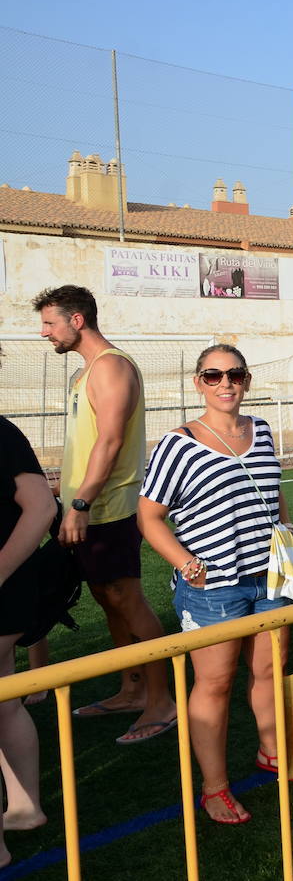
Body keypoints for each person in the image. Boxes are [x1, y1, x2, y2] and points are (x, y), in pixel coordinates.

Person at [138, 344, 293, 823]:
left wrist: (285, 529)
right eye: (212, 375)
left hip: (269, 575)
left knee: (270, 668)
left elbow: (272, 488)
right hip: (213, 585)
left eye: (234, 374)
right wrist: (185, 561)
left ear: (247, 380)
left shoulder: (260, 430)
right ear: (198, 382)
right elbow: (150, 515)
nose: (225, 384)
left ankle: (271, 752)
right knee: (214, 684)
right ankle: (214, 788)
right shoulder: (178, 443)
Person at [32, 286, 176, 744]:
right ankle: (131, 688)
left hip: (109, 508)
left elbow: (111, 442)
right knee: (108, 600)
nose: (44, 332)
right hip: (89, 508)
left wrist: (80, 503)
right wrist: (63, 491)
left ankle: (162, 701)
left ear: (77, 320)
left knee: (128, 599)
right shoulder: (84, 373)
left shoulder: (112, 366)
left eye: (49, 323)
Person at [0, 406, 55, 864]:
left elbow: (42, 507)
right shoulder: (4, 431)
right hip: (12, 593)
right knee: (5, 698)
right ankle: (23, 807)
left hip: (7, 589)